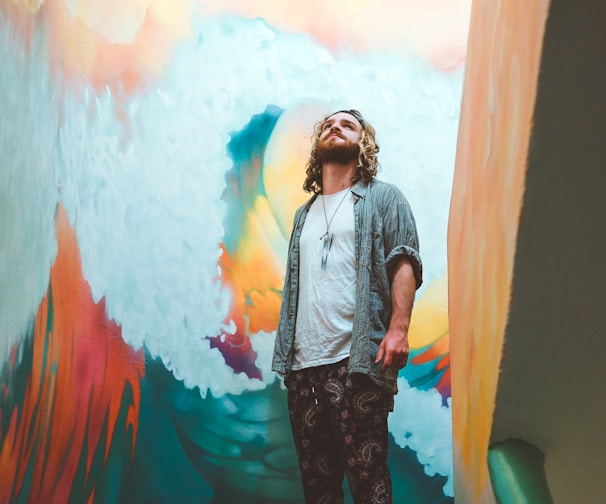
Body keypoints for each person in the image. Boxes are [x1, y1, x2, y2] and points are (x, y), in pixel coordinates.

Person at [272, 109, 423, 504]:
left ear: (364, 144)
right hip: (303, 369)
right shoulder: (303, 215)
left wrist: (398, 329)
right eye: (327, 125)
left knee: (368, 481)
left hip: (356, 361)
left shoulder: (384, 197)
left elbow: (404, 260)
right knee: (319, 490)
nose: (334, 127)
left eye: (347, 124)